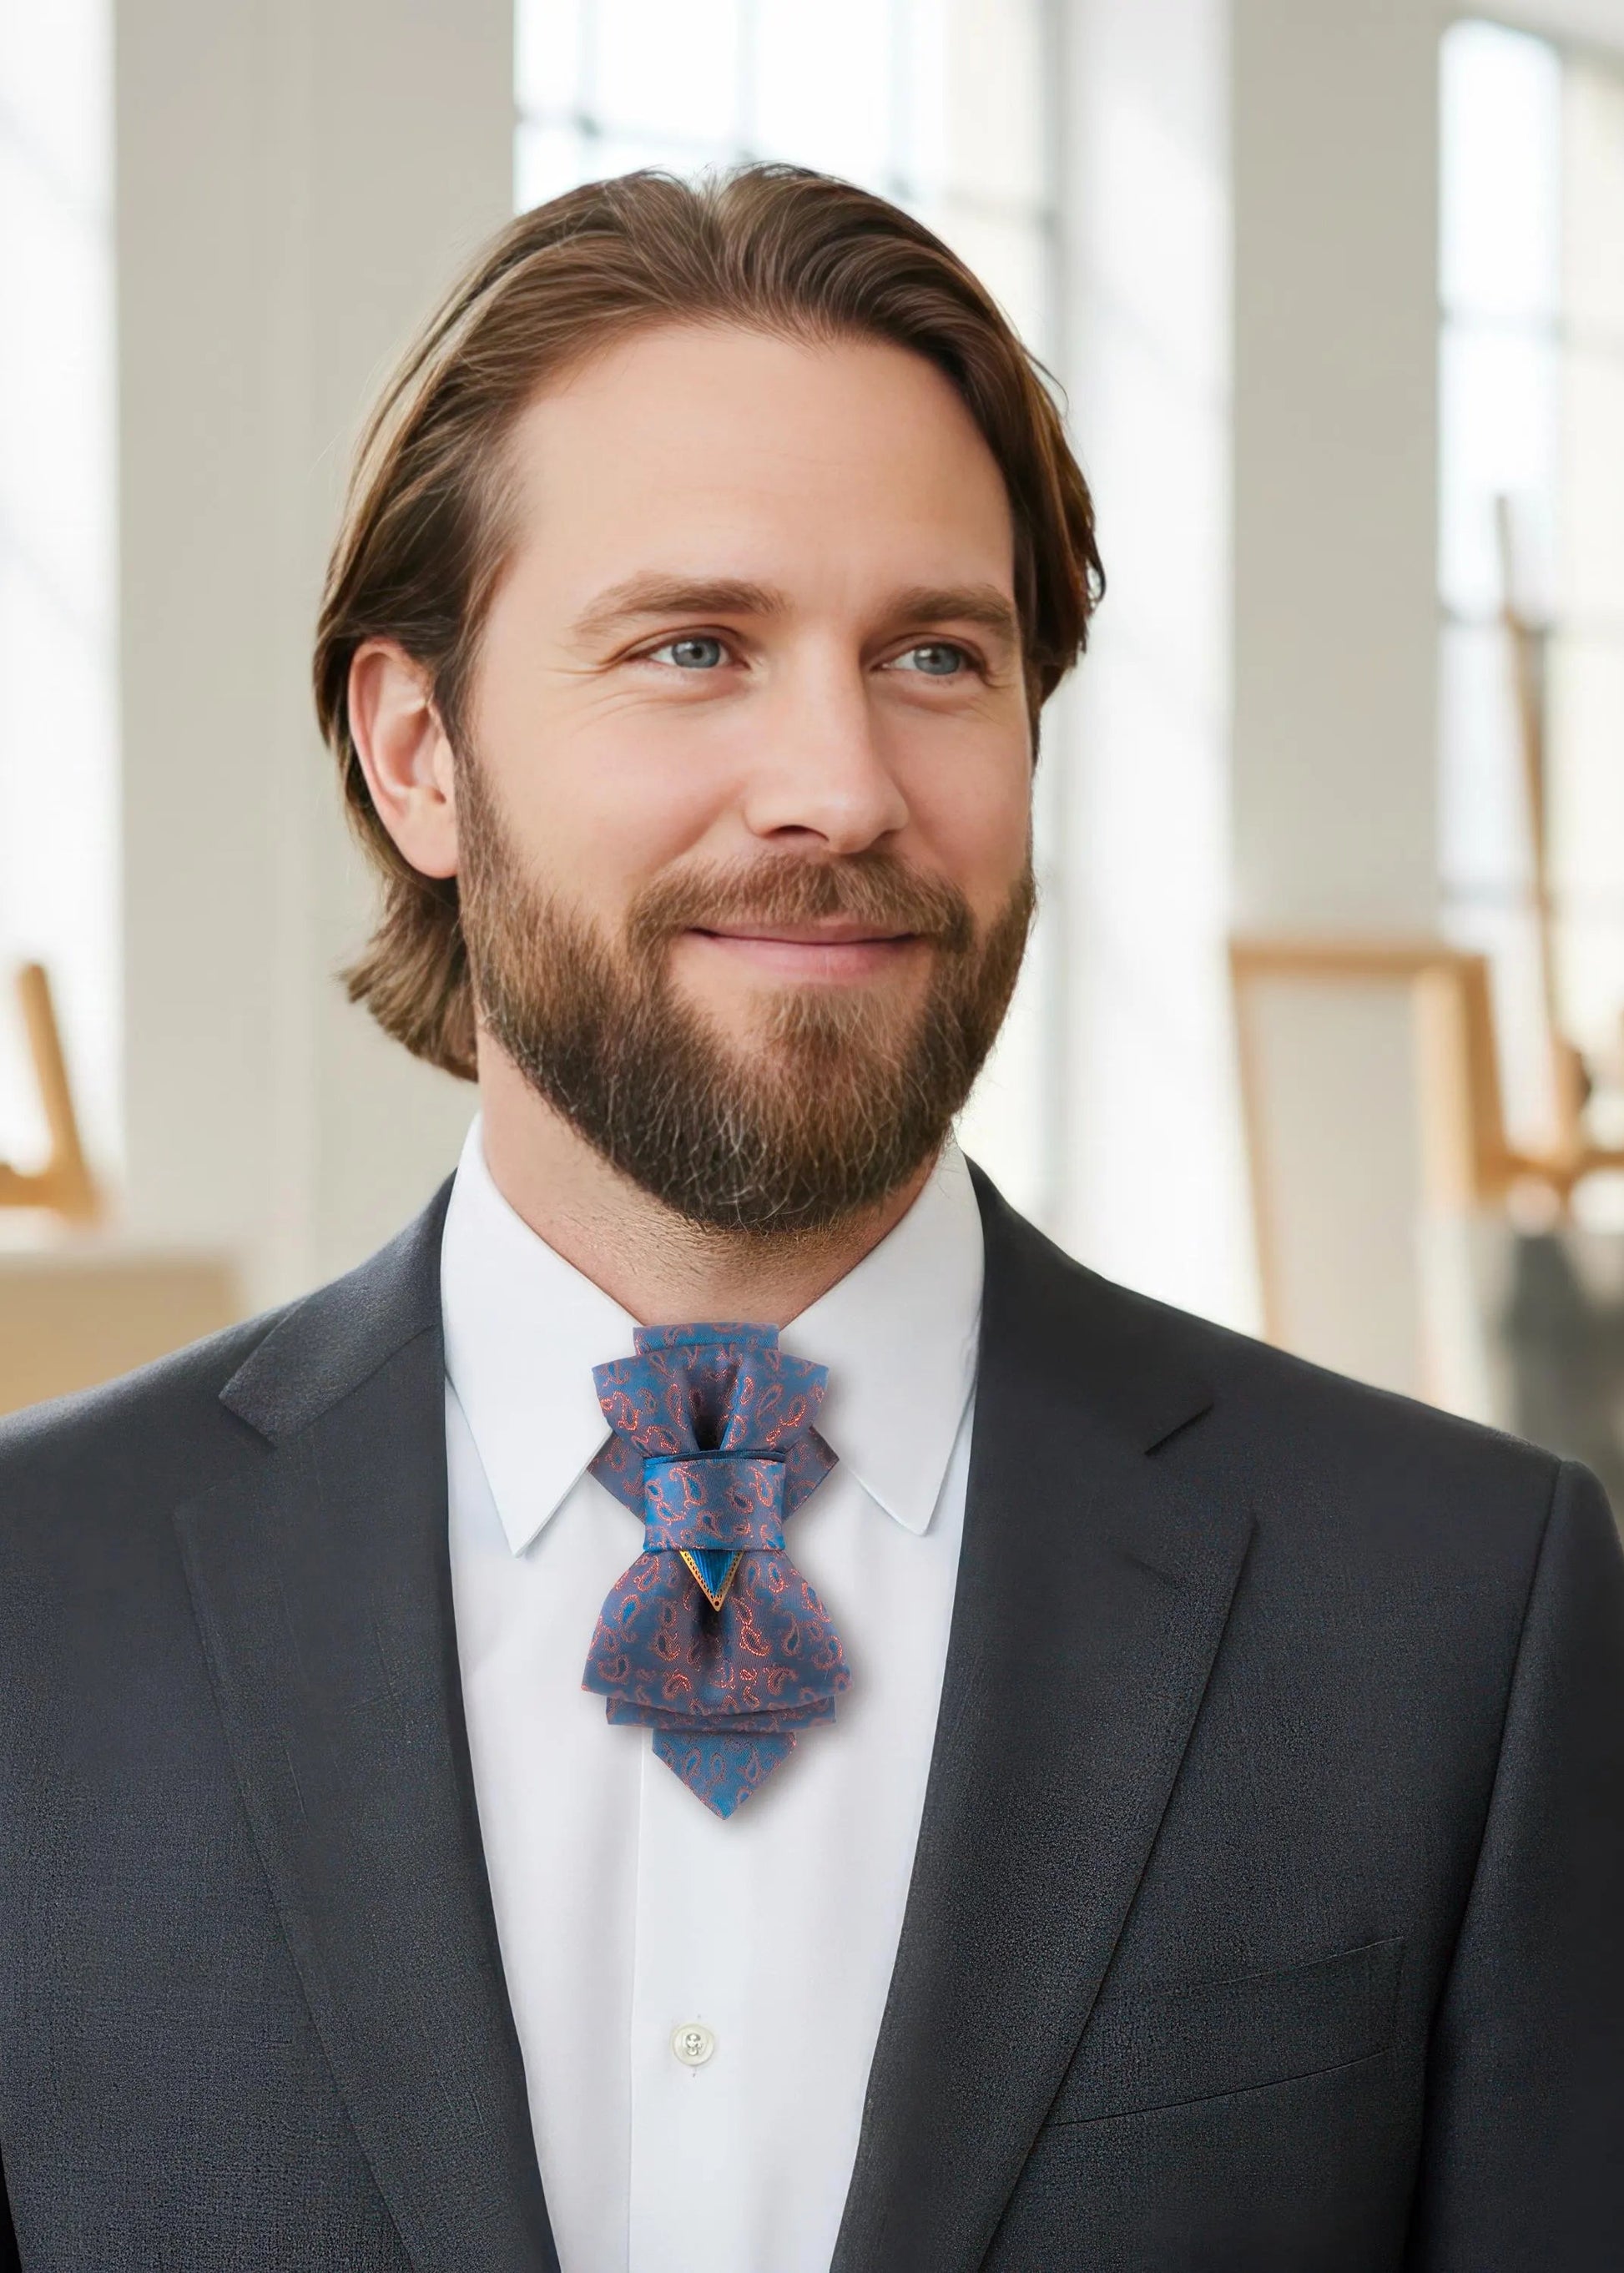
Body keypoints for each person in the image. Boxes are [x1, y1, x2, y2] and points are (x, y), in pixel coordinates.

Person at [0, 164, 1618, 2273]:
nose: (840, 788)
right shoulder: (32, 1613)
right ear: (417, 754)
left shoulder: (1457, 1615)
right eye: (694, 647)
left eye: (936, 655)